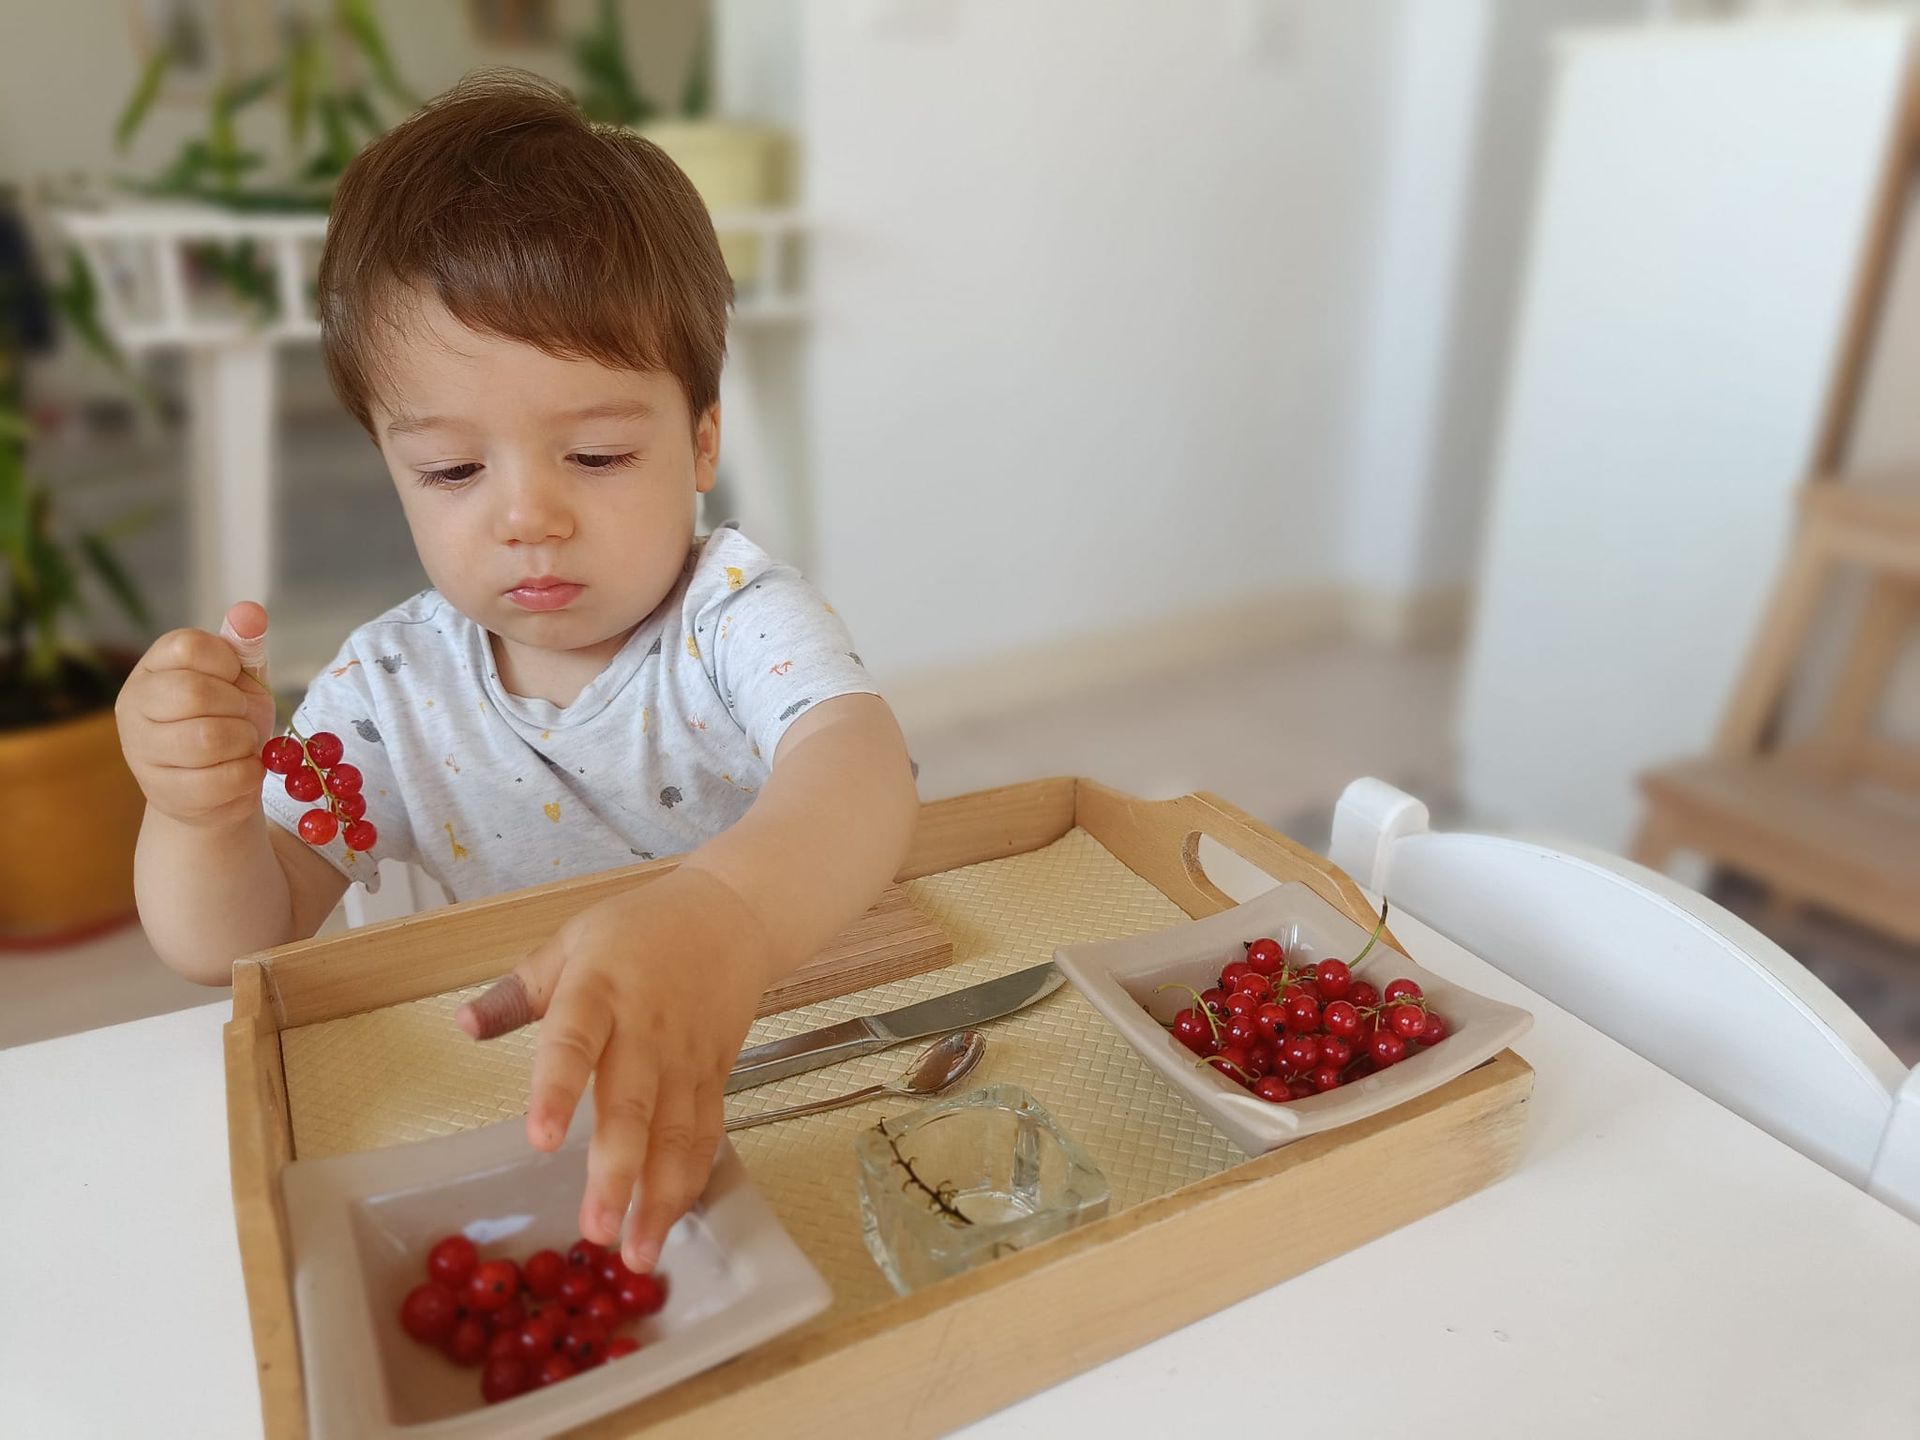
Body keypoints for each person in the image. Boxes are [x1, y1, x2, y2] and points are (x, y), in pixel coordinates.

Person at [113, 71, 920, 1277]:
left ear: (702, 441)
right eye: (449, 471)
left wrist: (724, 915)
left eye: (595, 453)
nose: (527, 516)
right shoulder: (386, 688)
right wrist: (196, 815)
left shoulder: (732, 614)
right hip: (504, 1118)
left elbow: (860, 772)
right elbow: (237, 940)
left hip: (772, 1065)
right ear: (391, 462)